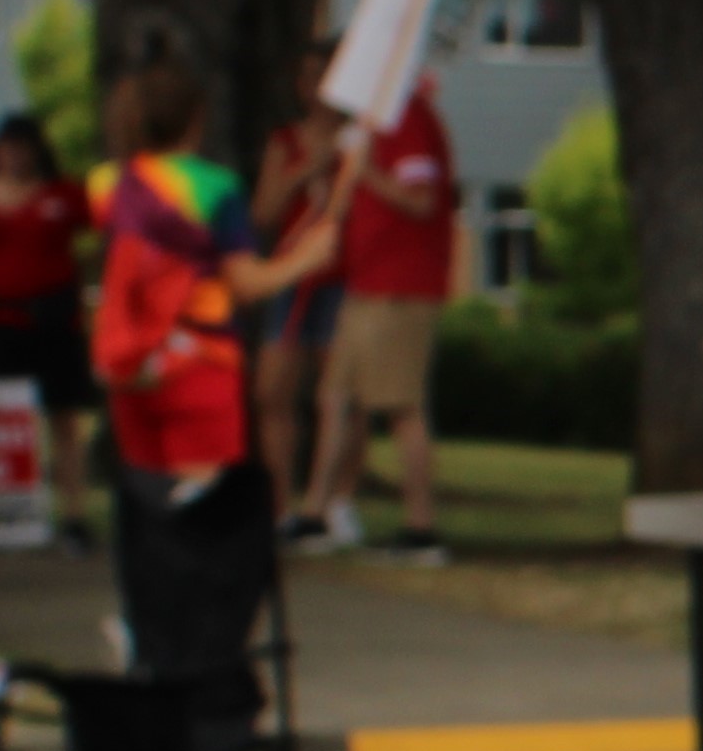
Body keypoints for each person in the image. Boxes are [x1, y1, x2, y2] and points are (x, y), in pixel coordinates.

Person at [90, 62, 341, 491]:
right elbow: (245, 283)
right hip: (198, 358)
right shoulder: (215, 187)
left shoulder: (106, 185)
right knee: (199, 503)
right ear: (197, 119)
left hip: (131, 362)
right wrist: (308, 257)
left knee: (148, 496)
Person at [310, 65, 460, 558]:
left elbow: (421, 201)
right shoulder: (374, 127)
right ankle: (317, 512)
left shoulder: (408, 118)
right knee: (336, 397)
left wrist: (365, 169)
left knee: (401, 405)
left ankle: (422, 529)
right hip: (366, 284)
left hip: (402, 286)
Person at [0, 113, 99, 543]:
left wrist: (78, 274)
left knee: (64, 418)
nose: (15, 156)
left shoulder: (62, 195)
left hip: (54, 318)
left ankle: (73, 513)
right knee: (0, 419)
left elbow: (101, 232)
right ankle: (2, 513)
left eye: (23, 147)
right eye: (7, 147)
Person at [249, 96, 349, 498]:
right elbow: (263, 213)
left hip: (343, 278)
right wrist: (305, 169)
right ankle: (279, 500)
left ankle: (331, 502)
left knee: (341, 397)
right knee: (272, 391)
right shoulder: (286, 142)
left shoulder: (360, 141)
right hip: (293, 275)